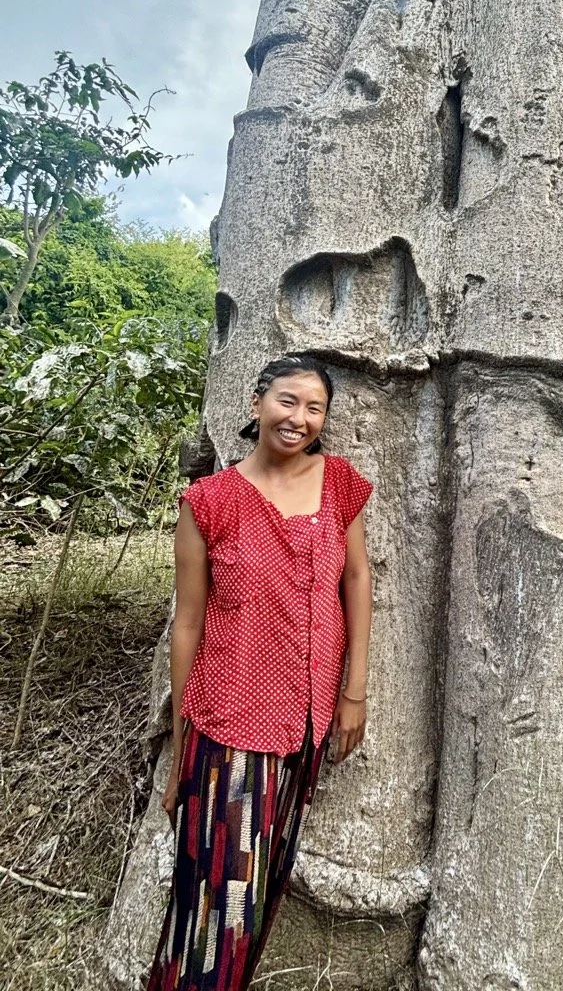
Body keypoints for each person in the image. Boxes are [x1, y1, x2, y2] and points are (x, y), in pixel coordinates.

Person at [145, 352, 373, 991]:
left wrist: (353, 692)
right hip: (230, 721)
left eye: (314, 407)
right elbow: (188, 622)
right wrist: (183, 742)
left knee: (262, 886)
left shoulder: (341, 486)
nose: (299, 417)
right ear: (256, 403)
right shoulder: (209, 502)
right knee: (222, 893)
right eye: (287, 401)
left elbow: (355, 578)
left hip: (307, 717)